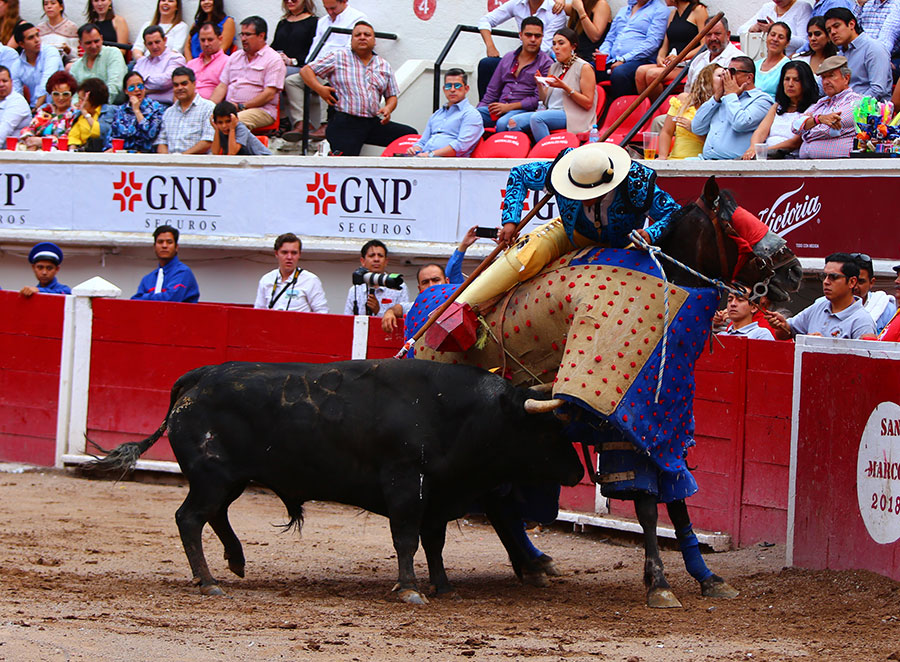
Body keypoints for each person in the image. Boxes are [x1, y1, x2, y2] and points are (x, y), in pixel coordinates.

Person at [495, 142, 681, 282]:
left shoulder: (635, 182)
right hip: (570, 236)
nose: (581, 197)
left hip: (624, 247)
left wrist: (650, 234)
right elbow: (519, 174)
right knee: (524, 256)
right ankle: (468, 302)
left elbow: (674, 212)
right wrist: (510, 221)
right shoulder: (564, 169)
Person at [301, 21, 416, 156]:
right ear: (351, 40)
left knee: (409, 136)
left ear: (374, 41)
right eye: (357, 35)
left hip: (372, 122)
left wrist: (388, 108)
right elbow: (306, 71)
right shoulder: (338, 56)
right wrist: (319, 88)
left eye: (367, 35)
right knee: (347, 163)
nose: (362, 37)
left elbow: (391, 96)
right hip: (345, 122)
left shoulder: (383, 65)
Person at [381, 226, 478, 333]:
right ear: (419, 288)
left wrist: (463, 246)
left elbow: (453, 270)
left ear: (447, 282)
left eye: (436, 280)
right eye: (425, 282)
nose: (431, 286)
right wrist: (389, 312)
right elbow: (400, 307)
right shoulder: (417, 307)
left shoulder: (458, 301)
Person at [507, 27, 596, 141]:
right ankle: (523, 155)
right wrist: (539, 84)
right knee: (513, 122)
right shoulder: (554, 67)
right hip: (551, 111)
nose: (556, 48)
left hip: (572, 114)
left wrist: (565, 87)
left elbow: (588, 103)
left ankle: (547, 153)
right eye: (554, 44)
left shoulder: (584, 67)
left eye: (561, 43)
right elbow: (544, 101)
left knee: (537, 118)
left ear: (573, 47)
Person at [765, 252, 876, 339]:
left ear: (852, 282)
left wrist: (824, 347)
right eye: (824, 276)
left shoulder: (862, 321)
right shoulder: (820, 305)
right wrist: (781, 325)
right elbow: (785, 333)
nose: (826, 282)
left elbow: (864, 364)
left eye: (834, 277)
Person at [476, 17, 553, 132]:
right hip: (499, 107)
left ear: (542, 37)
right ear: (520, 35)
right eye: (528, 35)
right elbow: (492, 91)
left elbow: (537, 100)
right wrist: (477, 110)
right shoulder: (508, 57)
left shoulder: (546, 63)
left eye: (537, 36)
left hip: (523, 110)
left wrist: (508, 107)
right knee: (470, 117)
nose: (533, 39)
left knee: (504, 123)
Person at [477, 0, 566, 98]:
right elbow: (485, 20)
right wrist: (490, 46)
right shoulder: (517, 3)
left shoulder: (555, 10)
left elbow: (545, 47)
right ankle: (485, 107)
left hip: (543, 63)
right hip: (520, 58)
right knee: (487, 64)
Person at [210, 16, 285, 131]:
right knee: (206, 119)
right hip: (231, 110)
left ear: (261, 36)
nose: (243, 39)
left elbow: (269, 94)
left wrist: (242, 106)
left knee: (229, 122)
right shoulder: (235, 57)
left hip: (261, 110)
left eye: (248, 35)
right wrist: (208, 108)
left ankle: (230, 149)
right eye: (242, 34)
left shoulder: (273, 59)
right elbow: (222, 86)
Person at [691, 56, 774, 159]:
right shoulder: (724, 99)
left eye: (733, 71)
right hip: (706, 161)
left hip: (736, 166)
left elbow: (740, 123)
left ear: (749, 77)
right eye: (727, 70)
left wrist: (731, 95)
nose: (727, 75)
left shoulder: (762, 100)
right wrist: (716, 97)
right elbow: (697, 128)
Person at [742, 60, 818, 159]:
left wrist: (763, 151)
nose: (790, 84)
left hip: (789, 157)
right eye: (787, 79)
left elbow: (795, 142)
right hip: (766, 155)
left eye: (796, 80)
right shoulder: (777, 106)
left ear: (806, 83)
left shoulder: (814, 108)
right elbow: (761, 132)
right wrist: (753, 148)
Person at [635, 0, 709, 98]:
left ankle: (657, 108)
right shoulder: (673, 13)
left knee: (652, 75)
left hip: (688, 64)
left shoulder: (698, 10)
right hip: (673, 62)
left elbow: (704, 45)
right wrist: (660, 57)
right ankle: (647, 108)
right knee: (640, 72)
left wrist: (681, 57)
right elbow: (665, 45)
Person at [598, 0, 670, 99]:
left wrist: (624, 59)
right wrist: (603, 53)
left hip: (640, 60)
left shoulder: (660, 10)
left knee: (620, 73)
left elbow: (652, 43)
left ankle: (621, 110)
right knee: (588, 69)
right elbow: (610, 39)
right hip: (612, 59)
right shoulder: (623, 10)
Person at [791, 55, 861, 158]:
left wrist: (806, 132)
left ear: (846, 78)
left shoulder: (854, 102)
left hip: (841, 167)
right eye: (823, 77)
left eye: (831, 76)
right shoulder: (822, 102)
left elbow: (830, 130)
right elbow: (795, 126)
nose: (826, 82)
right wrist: (818, 120)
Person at [406, 68, 482, 157]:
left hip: (450, 165)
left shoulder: (471, 114)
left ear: (466, 89)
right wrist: (415, 149)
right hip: (426, 160)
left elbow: (461, 146)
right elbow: (422, 142)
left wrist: (430, 155)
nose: (452, 90)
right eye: (448, 86)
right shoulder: (437, 114)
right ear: (444, 89)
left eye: (457, 86)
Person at [277, 0, 324, 140]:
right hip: (281, 67)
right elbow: (274, 46)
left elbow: (314, 51)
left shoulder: (314, 22)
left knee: (277, 76)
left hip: (301, 67)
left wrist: (292, 60)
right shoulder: (283, 23)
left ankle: (288, 121)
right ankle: (282, 119)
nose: (290, 1)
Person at [825, 7, 892, 99]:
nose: (832, 32)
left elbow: (878, 89)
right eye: (829, 30)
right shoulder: (840, 54)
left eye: (836, 26)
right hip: (843, 105)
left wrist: (850, 106)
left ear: (851, 24)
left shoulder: (873, 48)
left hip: (869, 109)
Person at [253, 232, 328, 313]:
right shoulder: (266, 279)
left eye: (294, 253)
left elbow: (322, 312)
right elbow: (258, 312)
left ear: (299, 254)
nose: (289, 257)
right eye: (284, 252)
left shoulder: (310, 280)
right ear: (276, 253)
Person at [658, 62, 718, 159]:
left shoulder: (721, 106)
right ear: (707, 80)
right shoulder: (683, 99)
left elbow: (717, 146)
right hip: (675, 159)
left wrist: (694, 129)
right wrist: (662, 156)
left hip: (700, 162)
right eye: (720, 75)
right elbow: (666, 131)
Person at [132, 225, 200, 303]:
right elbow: (135, 302)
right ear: (154, 247)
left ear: (176, 247)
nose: (164, 246)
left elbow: (170, 300)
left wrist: (145, 297)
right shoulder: (147, 279)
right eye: (160, 242)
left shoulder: (183, 273)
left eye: (169, 242)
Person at [156, 66, 214, 154]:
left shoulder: (208, 108)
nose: (180, 88)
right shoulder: (169, 112)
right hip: (170, 164)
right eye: (176, 85)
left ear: (194, 84)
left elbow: (207, 141)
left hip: (197, 164)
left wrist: (182, 158)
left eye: (184, 84)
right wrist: (167, 161)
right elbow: (162, 142)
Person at [343, 239, 409, 317]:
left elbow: (404, 320)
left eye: (380, 256)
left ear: (386, 261)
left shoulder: (398, 286)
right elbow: (347, 319)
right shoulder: (355, 289)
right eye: (372, 255)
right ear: (362, 261)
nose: (376, 259)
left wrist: (378, 311)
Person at [18, 70, 77, 149]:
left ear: (72, 95)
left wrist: (41, 141)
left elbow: (68, 140)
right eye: (56, 94)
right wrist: (29, 137)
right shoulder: (45, 109)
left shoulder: (75, 114)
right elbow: (31, 128)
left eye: (65, 94)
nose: (61, 98)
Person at [11, 22, 63, 110]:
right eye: (31, 38)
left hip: (58, 105)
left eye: (37, 35)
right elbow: (16, 94)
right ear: (21, 44)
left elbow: (47, 80)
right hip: (33, 108)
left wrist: (36, 108)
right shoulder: (17, 65)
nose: (37, 40)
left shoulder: (50, 52)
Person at [109, 70, 164, 152]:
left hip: (146, 156)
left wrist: (137, 110)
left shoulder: (156, 108)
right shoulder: (120, 111)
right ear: (126, 91)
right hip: (123, 155)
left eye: (140, 86)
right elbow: (112, 137)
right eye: (132, 87)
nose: (137, 89)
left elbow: (150, 134)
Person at [70, 23, 126, 102]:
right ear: (80, 43)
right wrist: (76, 106)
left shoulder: (113, 53)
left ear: (102, 38)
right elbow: (74, 94)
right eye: (88, 43)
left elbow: (115, 86)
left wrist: (95, 108)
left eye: (96, 41)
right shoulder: (76, 66)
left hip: (111, 107)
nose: (93, 46)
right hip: (83, 109)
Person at [685, 16, 741, 92]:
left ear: (728, 35)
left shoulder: (738, 60)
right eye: (708, 34)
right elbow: (688, 91)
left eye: (717, 34)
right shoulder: (698, 60)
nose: (713, 38)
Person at [133, 25, 186, 105]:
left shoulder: (176, 58)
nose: (154, 47)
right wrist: (151, 88)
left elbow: (164, 82)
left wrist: (144, 81)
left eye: (157, 42)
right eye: (150, 43)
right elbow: (132, 84)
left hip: (164, 106)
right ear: (145, 45)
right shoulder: (141, 62)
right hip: (140, 104)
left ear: (165, 40)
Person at [739, 0, 812, 55]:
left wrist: (776, 31)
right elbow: (740, 31)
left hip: (790, 60)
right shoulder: (767, 7)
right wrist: (753, 28)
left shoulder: (803, 7)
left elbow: (805, 43)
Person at [853, 253, 896, 333]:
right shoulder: (828, 306)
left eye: (861, 281)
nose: (855, 287)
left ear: (871, 283)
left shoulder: (886, 309)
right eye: (851, 281)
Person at [792, 16, 838, 92]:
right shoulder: (798, 59)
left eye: (817, 34)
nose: (813, 38)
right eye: (810, 35)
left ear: (828, 36)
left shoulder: (837, 60)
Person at [68, 76, 112, 150]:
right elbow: (73, 137)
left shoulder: (109, 111)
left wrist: (86, 114)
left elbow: (101, 133)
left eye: (82, 99)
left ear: (93, 99)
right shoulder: (80, 116)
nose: (79, 103)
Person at [186, 22, 227, 99]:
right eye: (202, 40)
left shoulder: (227, 62)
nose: (206, 44)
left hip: (210, 107)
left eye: (210, 39)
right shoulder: (191, 64)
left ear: (220, 39)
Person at [754, 22, 792, 97]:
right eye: (773, 35)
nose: (775, 39)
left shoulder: (787, 67)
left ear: (787, 43)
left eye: (781, 37)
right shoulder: (755, 65)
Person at [0, 65, 32, 143]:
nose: (1, 84)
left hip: (15, 152)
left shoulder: (17, 101)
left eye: (4, 81)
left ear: (11, 82)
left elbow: (4, 130)